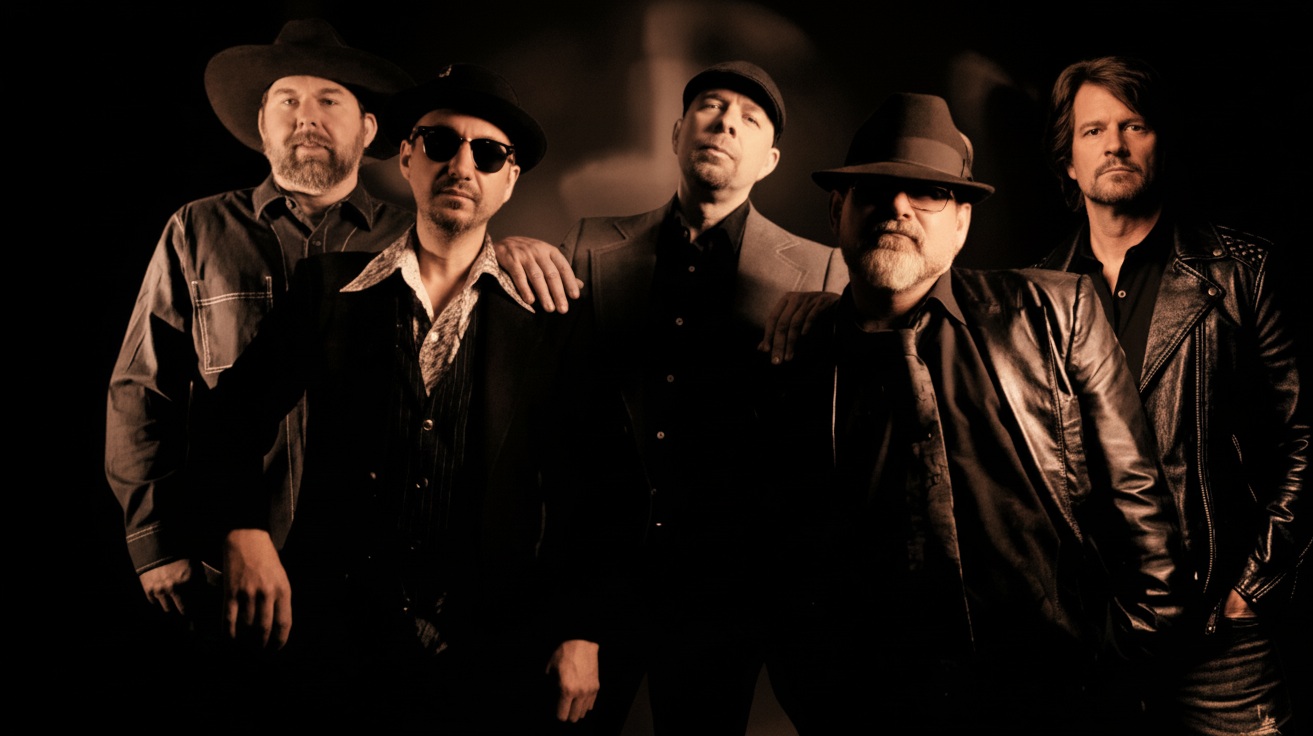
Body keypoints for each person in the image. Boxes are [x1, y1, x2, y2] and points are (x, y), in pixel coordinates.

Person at [198, 63, 603, 731]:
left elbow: (594, 486)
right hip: (334, 642)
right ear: (408, 157)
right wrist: (244, 530)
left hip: (491, 648)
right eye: (440, 143)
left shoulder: (551, 314)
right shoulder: (327, 289)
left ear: (509, 180)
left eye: (488, 153)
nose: (461, 166)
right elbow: (226, 421)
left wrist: (581, 629)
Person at [765, 92, 1184, 733]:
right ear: (836, 211)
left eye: (928, 193)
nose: (898, 207)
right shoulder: (796, 357)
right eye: (875, 189)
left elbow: (1141, 511)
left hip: (1054, 700)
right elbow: (782, 557)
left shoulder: (1057, 315)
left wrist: (1115, 669)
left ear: (962, 223)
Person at [545, 60, 848, 735]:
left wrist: (841, 314)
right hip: (601, 586)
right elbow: (561, 437)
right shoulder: (589, 245)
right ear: (677, 132)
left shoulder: (822, 271)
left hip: (728, 601)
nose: (725, 124)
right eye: (711, 107)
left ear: (770, 160)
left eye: (749, 119)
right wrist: (574, 614)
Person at [1035, 55, 1313, 736]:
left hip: (1219, 633)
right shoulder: (1036, 291)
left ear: (1161, 143)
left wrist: (1251, 587)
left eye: (1134, 125)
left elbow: (1308, 436)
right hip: (1093, 634)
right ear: (1069, 162)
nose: (1114, 144)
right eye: (1093, 130)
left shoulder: (1242, 271)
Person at [106, 17, 415, 632]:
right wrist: (154, 539)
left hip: (372, 584)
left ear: (367, 128)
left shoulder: (413, 239)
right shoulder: (196, 231)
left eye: (329, 100)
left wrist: (512, 251)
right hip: (219, 577)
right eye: (288, 100)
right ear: (262, 124)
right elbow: (141, 390)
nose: (307, 117)